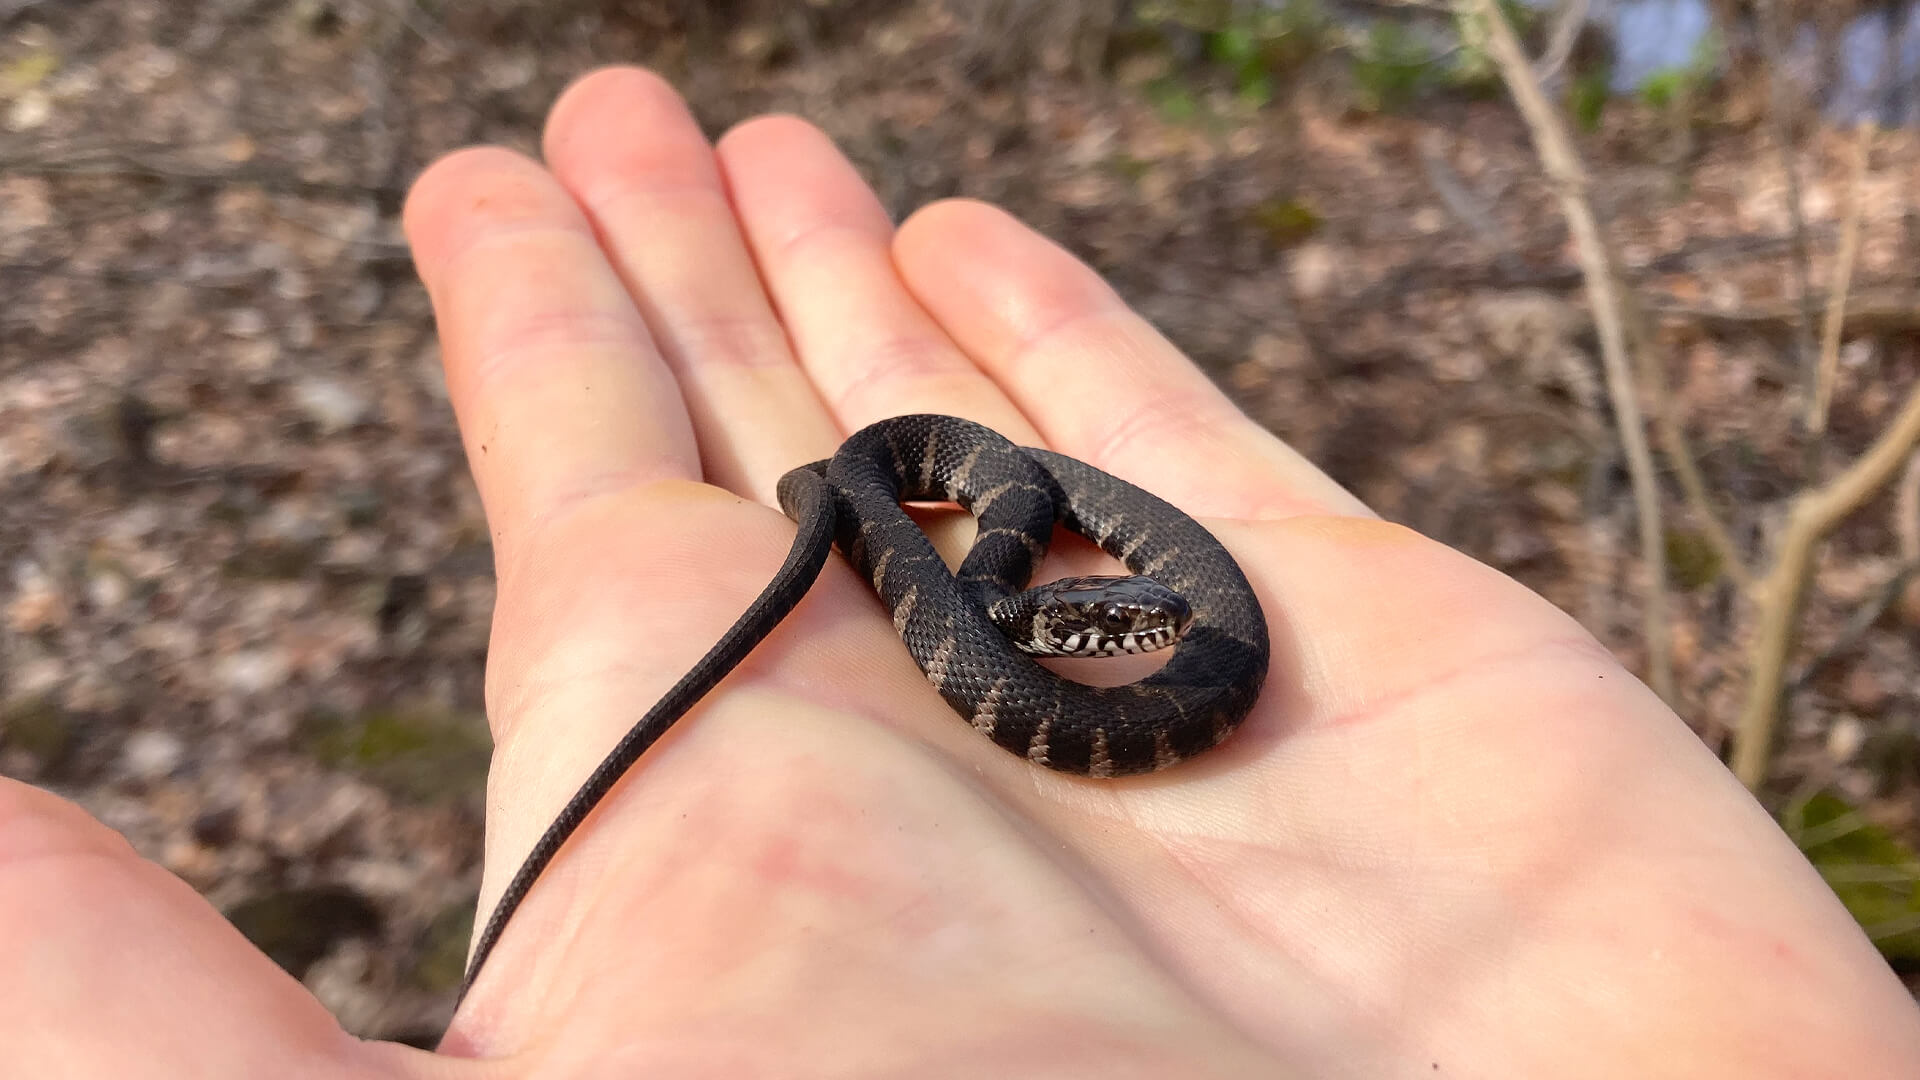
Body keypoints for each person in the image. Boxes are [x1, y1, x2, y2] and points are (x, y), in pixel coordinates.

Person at [5, 66, 1918, 1077]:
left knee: (880, 520)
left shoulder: (1058, 580)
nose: (1104, 627)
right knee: (856, 502)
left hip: (940, 523)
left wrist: (961, 565)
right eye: (1078, 615)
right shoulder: (1001, 545)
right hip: (934, 514)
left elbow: (1105, 627)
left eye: (1096, 618)